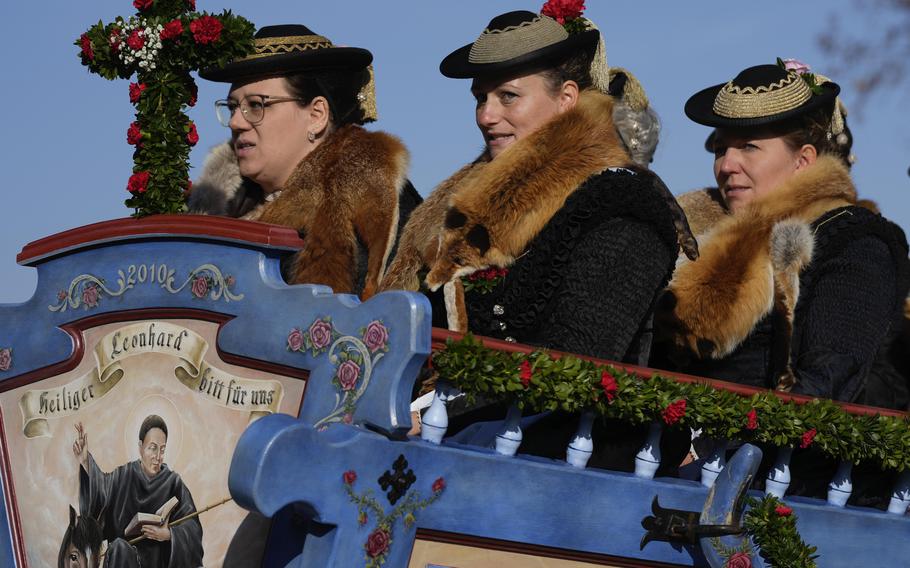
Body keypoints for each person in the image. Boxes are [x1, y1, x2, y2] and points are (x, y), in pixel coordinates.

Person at [382, 7, 695, 471]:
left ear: (568, 97)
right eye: (480, 98)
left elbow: (577, 362)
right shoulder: (470, 202)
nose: (487, 116)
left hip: (565, 453)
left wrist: (424, 411)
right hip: (465, 430)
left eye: (508, 96)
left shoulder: (621, 202)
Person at [654, 61, 910, 407]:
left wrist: (706, 446)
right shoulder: (692, 230)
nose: (726, 165)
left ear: (803, 160)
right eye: (720, 149)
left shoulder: (853, 241)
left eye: (748, 146)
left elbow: (825, 385)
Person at [188, 24, 422, 300]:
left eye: (256, 105)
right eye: (232, 108)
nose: (237, 122)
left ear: (316, 115)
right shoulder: (219, 212)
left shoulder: (374, 193)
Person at [73, 417, 203, 567]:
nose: (158, 457)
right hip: (124, 560)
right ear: (141, 447)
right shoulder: (124, 475)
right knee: (120, 547)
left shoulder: (173, 483)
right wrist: (85, 462)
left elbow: (192, 528)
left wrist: (168, 535)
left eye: (162, 449)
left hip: (158, 563)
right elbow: (102, 489)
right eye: (152, 448)